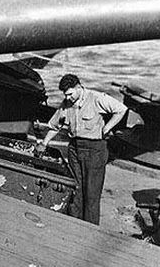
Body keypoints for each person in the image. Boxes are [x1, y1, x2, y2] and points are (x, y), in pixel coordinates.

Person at [38, 73, 127, 225]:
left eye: (70, 94)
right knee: (75, 188)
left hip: (95, 150)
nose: (68, 98)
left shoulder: (96, 98)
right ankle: (74, 224)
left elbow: (121, 109)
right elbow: (54, 126)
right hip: (74, 148)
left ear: (79, 87)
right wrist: (44, 143)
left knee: (92, 192)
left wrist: (107, 128)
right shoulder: (67, 103)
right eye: (65, 95)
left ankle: (90, 228)